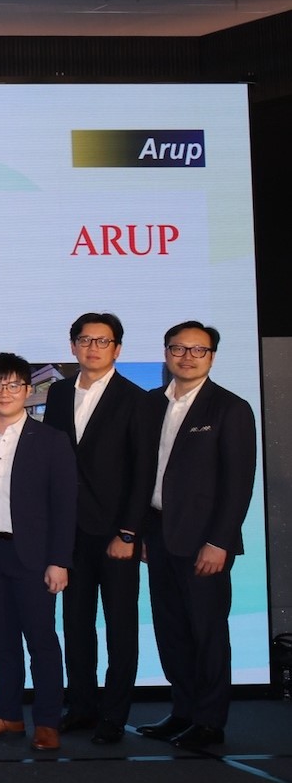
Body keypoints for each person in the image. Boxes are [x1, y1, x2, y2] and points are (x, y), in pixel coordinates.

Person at [137, 321, 256, 750]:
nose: (187, 357)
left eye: (198, 350)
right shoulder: (151, 404)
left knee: (207, 632)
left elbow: (238, 482)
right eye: (178, 348)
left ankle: (209, 721)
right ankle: (183, 710)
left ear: (212, 356)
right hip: (158, 532)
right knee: (171, 630)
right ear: (166, 352)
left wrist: (220, 541)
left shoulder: (230, 408)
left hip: (204, 540)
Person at [44, 313, 157, 745]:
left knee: (120, 625)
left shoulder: (137, 399)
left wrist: (129, 532)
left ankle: (114, 713)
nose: (92, 347)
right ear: (72, 346)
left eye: (102, 340)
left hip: (115, 535)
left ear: (118, 349)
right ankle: (83, 707)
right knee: (75, 624)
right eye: (84, 339)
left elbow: (143, 470)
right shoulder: (55, 394)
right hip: (68, 533)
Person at [0, 353, 75, 752]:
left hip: (34, 556)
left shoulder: (50, 440)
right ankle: (8, 714)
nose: (4, 392)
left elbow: (65, 506)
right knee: (1, 641)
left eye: (13, 384)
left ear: (28, 391)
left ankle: (47, 721)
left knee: (42, 641)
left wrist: (59, 560)